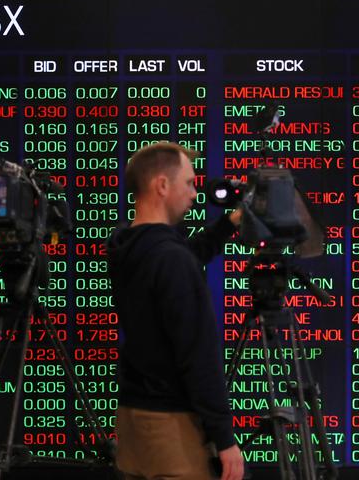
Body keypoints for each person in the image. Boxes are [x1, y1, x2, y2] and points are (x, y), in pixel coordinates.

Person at [107, 142, 245, 480]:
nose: (196, 193)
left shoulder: (126, 244)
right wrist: (224, 438)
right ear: (162, 185)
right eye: (189, 183)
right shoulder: (171, 259)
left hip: (133, 419)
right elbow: (198, 356)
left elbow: (182, 254)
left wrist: (229, 223)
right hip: (171, 430)